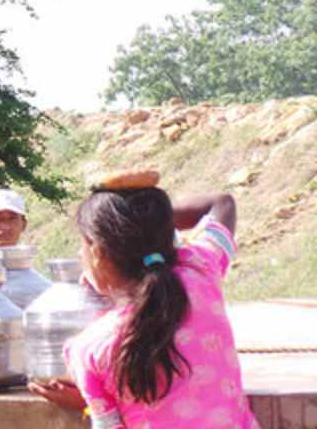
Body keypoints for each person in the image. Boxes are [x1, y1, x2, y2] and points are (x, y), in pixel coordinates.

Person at [29, 170, 258, 428]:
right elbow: (221, 204)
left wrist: (90, 398)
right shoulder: (201, 269)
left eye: (82, 245)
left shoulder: (88, 351)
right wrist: (149, 223)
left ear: (97, 252)